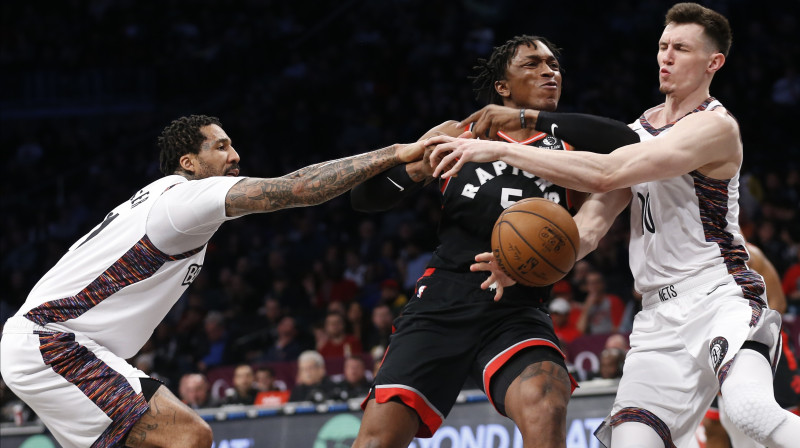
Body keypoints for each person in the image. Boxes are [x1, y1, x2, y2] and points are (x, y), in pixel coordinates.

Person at [428, 3, 800, 447]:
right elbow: (588, 228)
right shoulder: (634, 132)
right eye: (663, 46)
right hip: (657, 319)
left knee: (749, 414)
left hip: (719, 296)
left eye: (681, 48)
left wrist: (504, 149)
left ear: (713, 62)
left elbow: (606, 172)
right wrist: (530, 264)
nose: (665, 57)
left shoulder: (714, 128)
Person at [0, 114, 427, 448]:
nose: (234, 155)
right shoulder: (185, 199)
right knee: (189, 436)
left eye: (232, 145)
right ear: (189, 163)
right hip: (53, 342)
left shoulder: (161, 200)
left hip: (55, 344)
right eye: (220, 147)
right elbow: (299, 188)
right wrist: (397, 152)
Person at [350, 35, 638, 447]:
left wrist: (529, 119)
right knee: (378, 440)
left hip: (519, 304)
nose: (548, 72)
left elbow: (630, 143)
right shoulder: (460, 133)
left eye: (554, 66)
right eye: (533, 64)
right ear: (501, 87)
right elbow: (365, 199)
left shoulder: (575, 145)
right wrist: (417, 170)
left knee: (546, 402)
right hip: (444, 299)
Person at [703, 242, 800, 448]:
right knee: (719, 422)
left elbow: (778, 303)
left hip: (759, 340)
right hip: (716, 343)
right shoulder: (686, 259)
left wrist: (748, 331)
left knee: (779, 415)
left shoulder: (750, 254)